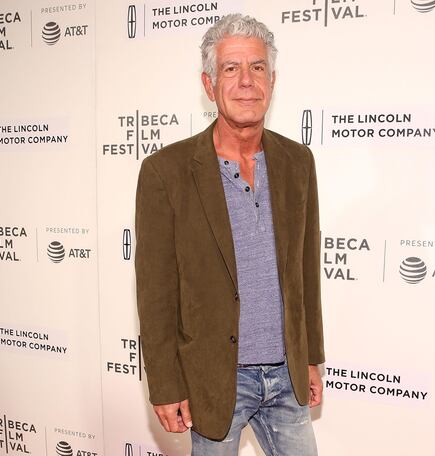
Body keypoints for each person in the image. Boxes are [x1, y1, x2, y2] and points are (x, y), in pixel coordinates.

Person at [135, 13, 324, 456]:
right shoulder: (167, 172)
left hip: (286, 376)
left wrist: (311, 356)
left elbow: (306, 270)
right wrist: (165, 383)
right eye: (231, 68)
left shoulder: (299, 162)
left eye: (257, 68)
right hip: (215, 379)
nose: (246, 81)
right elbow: (156, 291)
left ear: (272, 81)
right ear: (209, 84)